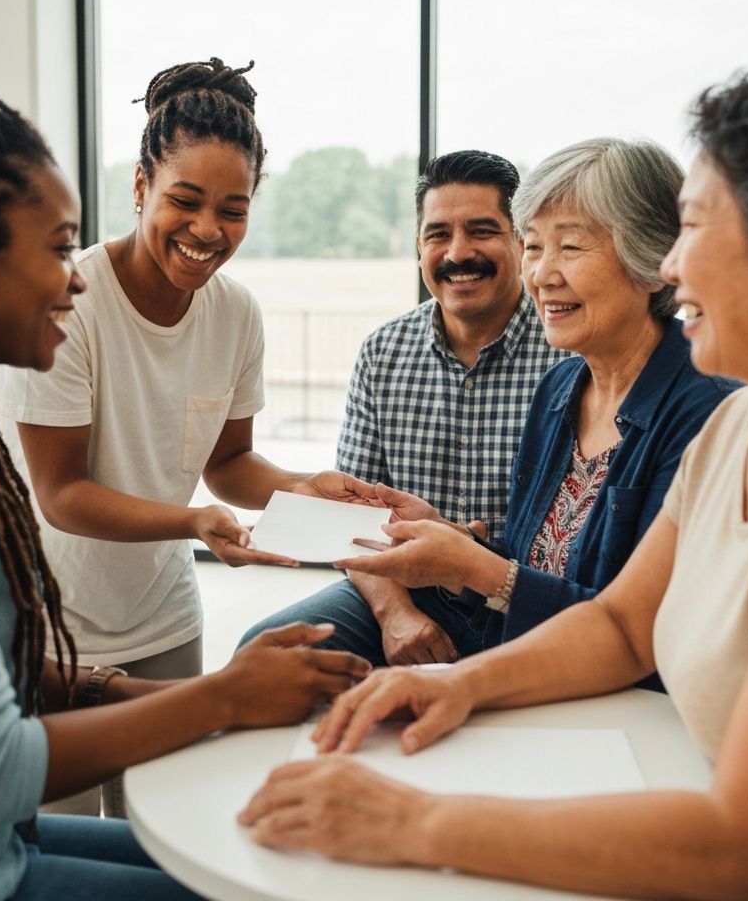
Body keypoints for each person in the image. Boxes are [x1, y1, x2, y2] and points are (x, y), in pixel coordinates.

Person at [239, 57, 748, 900]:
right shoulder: (741, 427)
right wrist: (451, 681)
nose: (675, 267)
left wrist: (410, 823)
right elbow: (623, 624)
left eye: (693, 229)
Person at [0, 19, 369, 901]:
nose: (74, 279)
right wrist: (221, 699)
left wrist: (163, 685)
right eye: (57, 248)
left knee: (228, 861)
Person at [0, 57, 371, 815]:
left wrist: (302, 485)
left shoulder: (236, 316)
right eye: (185, 202)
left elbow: (227, 463)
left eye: (232, 210)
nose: (208, 231)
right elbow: (61, 495)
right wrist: (191, 520)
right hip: (51, 630)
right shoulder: (72, 302)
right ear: (140, 188)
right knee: (64, 849)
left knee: (164, 835)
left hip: (164, 617)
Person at [244, 138, 735, 671]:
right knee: (268, 652)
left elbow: (634, 629)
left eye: (569, 247)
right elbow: (526, 562)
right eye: (536, 247)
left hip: (604, 664)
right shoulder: (565, 385)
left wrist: (471, 570)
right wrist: (446, 543)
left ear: (650, 257)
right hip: (502, 610)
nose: (544, 274)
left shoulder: (707, 407)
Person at [240, 149, 566, 665]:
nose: (458, 253)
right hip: (401, 590)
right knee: (267, 657)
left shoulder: (567, 350)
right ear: (419, 247)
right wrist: (396, 615)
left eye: (481, 231)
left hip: (522, 598)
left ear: (521, 241)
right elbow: (347, 523)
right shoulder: (384, 351)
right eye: (438, 235)